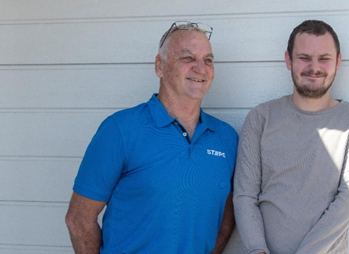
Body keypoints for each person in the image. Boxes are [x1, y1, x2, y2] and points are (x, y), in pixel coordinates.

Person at [65, 21, 238, 254]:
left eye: (208, 60)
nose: (201, 68)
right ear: (160, 66)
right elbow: (78, 218)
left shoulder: (226, 138)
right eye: (188, 58)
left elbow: (227, 216)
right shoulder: (120, 130)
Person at [233, 20, 349, 254]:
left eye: (324, 58)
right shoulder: (261, 118)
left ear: (338, 62)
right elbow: (244, 195)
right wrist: (257, 250)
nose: (314, 67)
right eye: (304, 57)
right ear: (288, 60)